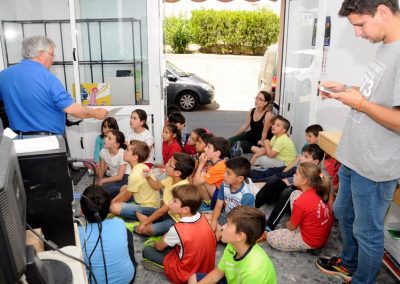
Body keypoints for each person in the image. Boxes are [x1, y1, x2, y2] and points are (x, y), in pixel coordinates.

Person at [316, 1, 400, 283]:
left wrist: (360, 103)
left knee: (368, 231)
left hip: (375, 166)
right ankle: (349, 264)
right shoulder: (386, 46)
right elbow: (380, 97)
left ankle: (362, 278)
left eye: (360, 25)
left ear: (383, 11)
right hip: (355, 156)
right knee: (342, 212)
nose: (358, 34)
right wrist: (348, 90)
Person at [0, 35, 107, 135]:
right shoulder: (47, 78)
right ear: (41, 54)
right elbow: (71, 109)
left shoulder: (4, 76)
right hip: (48, 142)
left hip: (18, 141)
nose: (53, 60)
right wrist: (95, 113)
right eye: (52, 54)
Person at [142, 184, 216, 284]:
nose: (170, 202)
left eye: (174, 201)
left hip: (185, 273)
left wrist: (155, 243)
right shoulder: (202, 217)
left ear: (185, 209)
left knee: (147, 251)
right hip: (206, 269)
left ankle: (165, 269)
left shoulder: (178, 229)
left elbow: (159, 247)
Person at [188, 206, 277, 284]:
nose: (223, 227)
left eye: (228, 224)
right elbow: (218, 273)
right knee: (194, 279)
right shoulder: (233, 245)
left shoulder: (254, 271)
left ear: (240, 236)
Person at [266, 162, 333, 252]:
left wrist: (288, 223)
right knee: (295, 193)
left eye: (296, 174)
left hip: (311, 240)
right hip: (321, 235)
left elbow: (292, 227)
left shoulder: (301, 202)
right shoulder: (319, 191)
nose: (293, 175)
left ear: (304, 181)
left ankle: (310, 248)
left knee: (270, 237)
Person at [257, 144, 325, 232]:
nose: (301, 158)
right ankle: (254, 204)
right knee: (275, 180)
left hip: (300, 208)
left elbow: (324, 200)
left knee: (288, 192)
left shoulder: (321, 177)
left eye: (306, 156)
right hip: (290, 201)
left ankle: (270, 225)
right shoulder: (301, 169)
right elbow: (288, 181)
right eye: (302, 155)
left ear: (315, 162)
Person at [78, 185, 135, 284]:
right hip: (127, 280)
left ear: (82, 212)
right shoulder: (119, 223)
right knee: (127, 233)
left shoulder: (77, 235)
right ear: (109, 208)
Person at [136, 152, 195, 236]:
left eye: (170, 164)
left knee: (145, 229)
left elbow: (162, 211)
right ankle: (160, 229)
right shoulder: (171, 178)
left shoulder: (181, 188)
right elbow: (156, 186)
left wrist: (145, 223)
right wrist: (148, 176)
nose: (166, 164)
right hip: (167, 213)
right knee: (139, 210)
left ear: (177, 173)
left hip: (175, 220)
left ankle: (169, 232)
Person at [110, 140, 160, 218]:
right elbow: (126, 191)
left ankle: (143, 216)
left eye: (127, 150)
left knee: (114, 207)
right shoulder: (142, 166)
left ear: (135, 157)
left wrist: (112, 204)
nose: (124, 152)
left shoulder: (135, 174)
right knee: (125, 187)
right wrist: (113, 201)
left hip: (149, 209)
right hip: (153, 204)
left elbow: (126, 196)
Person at [208, 157, 255, 240]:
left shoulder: (247, 196)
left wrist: (222, 228)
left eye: (228, 173)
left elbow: (244, 221)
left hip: (237, 222)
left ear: (240, 178)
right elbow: (218, 206)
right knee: (201, 220)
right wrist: (214, 222)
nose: (224, 175)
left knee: (215, 234)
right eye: (225, 172)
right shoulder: (224, 184)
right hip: (225, 215)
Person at [193, 136, 230, 210]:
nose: (205, 149)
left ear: (217, 153)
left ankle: (207, 206)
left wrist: (201, 163)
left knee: (202, 178)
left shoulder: (218, 167)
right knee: (203, 176)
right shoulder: (220, 163)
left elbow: (196, 182)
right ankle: (207, 203)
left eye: (208, 147)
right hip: (222, 195)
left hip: (223, 200)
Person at [96, 129, 129, 197]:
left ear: (116, 144)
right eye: (106, 137)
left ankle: (126, 190)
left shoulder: (122, 153)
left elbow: (120, 177)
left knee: (104, 188)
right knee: (101, 189)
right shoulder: (103, 151)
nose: (105, 139)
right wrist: (99, 182)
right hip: (114, 178)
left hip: (125, 177)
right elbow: (102, 169)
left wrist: (103, 180)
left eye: (109, 138)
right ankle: (123, 191)